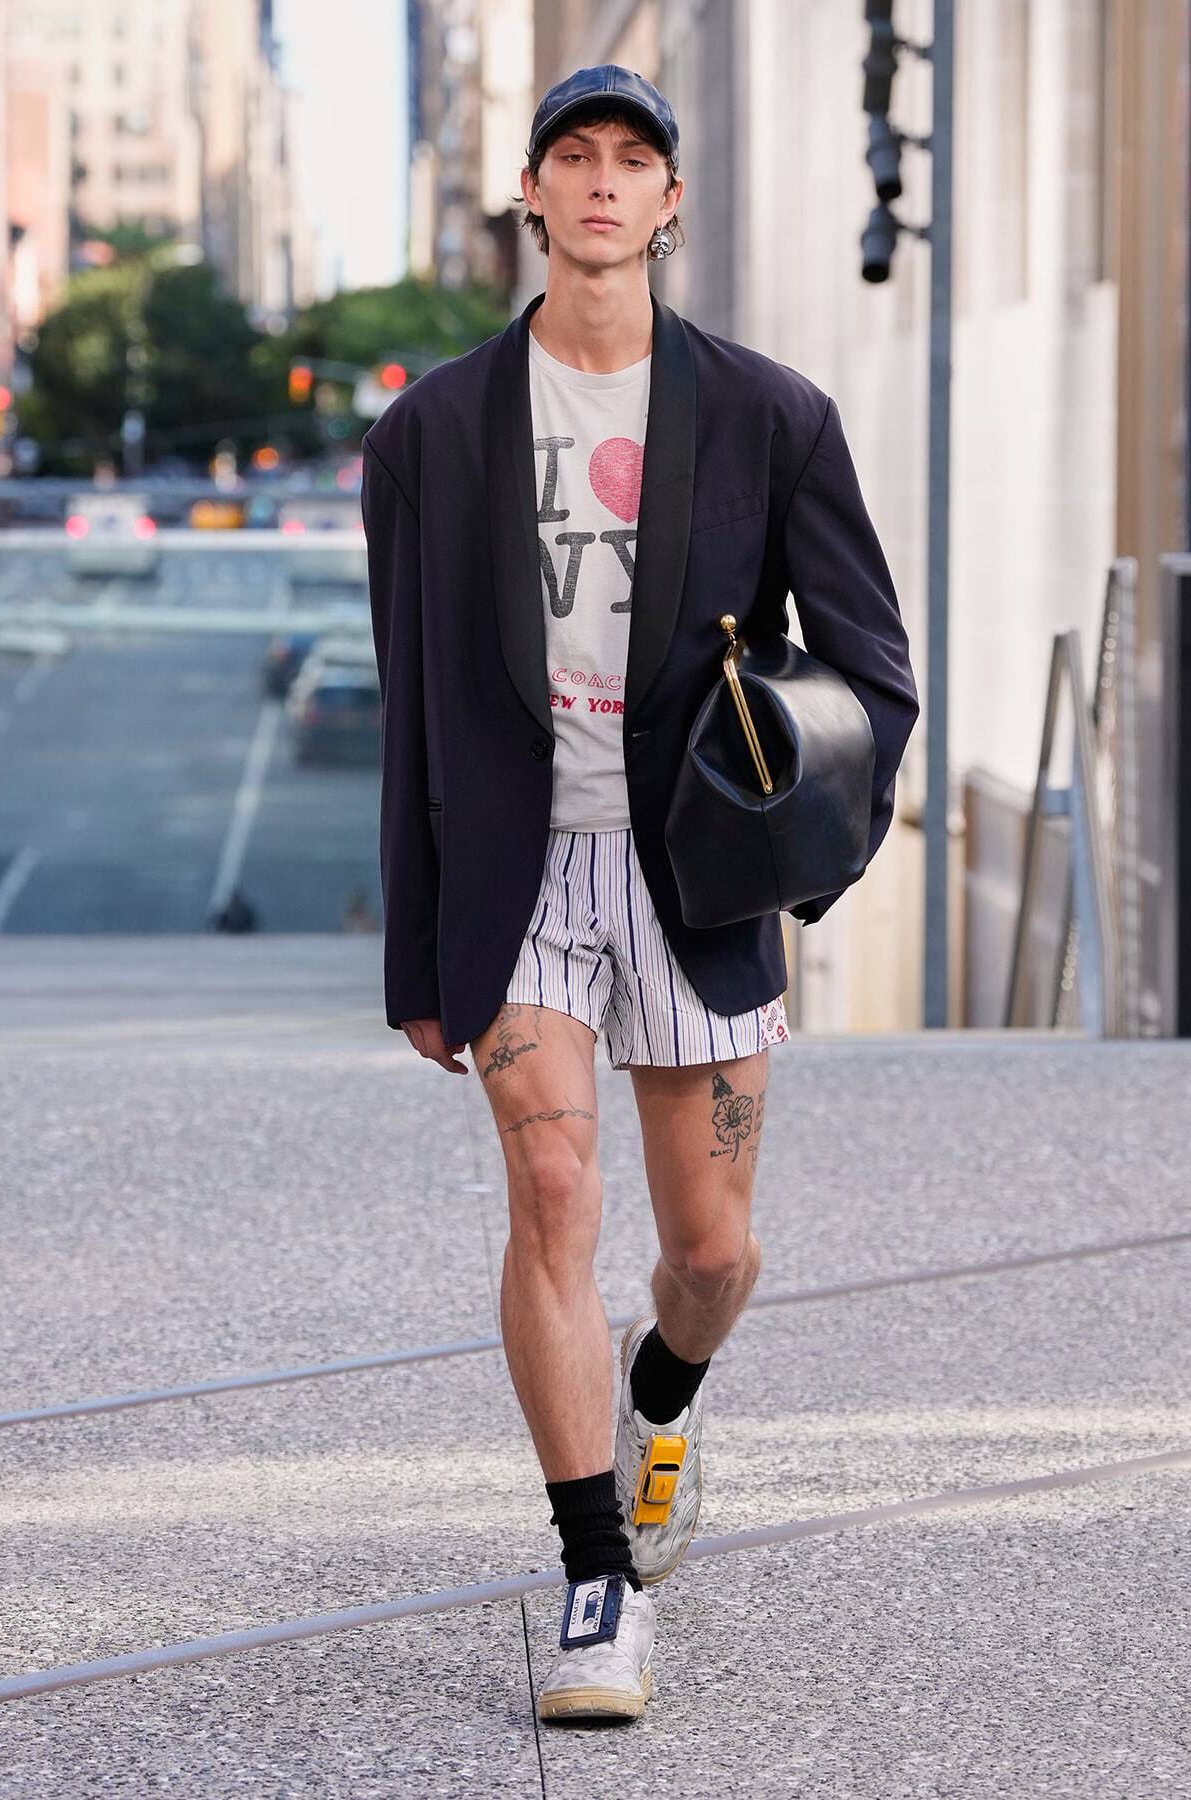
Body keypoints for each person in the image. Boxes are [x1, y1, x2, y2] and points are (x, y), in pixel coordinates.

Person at [362, 65, 919, 1723]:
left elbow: (875, 668)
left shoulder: (767, 415)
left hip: (695, 870)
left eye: (633, 160)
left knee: (713, 1253)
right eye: (574, 157)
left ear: (670, 204)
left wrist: (807, 846)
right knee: (553, 1193)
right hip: (518, 871)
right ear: (531, 194)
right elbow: (410, 704)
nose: (602, 182)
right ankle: (594, 1581)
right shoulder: (429, 434)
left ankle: (662, 1397)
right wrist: (416, 948)